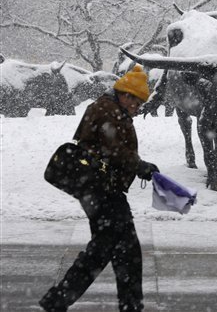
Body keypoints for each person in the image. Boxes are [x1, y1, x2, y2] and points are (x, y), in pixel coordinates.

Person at [39, 65, 159, 312]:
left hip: (103, 189)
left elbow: (113, 149)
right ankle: (59, 300)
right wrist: (140, 166)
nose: (137, 110)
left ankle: (128, 304)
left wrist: (136, 165)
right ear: (126, 95)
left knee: (121, 250)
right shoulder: (107, 110)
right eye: (136, 103)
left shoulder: (113, 109)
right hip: (101, 190)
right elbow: (113, 150)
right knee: (109, 250)